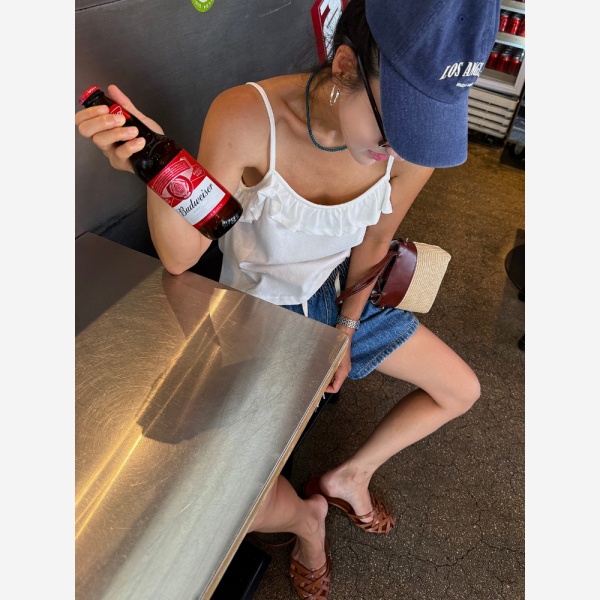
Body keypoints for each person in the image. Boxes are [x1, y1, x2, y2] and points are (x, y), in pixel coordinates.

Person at [75, 0, 500, 597]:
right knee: (221, 490)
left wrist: (345, 332)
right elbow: (179, 258)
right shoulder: (248, 115)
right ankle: (307, 521)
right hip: (251, 309)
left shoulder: (407, 152)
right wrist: (155, 166)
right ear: (345, 65)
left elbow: (375, 241)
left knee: (461, 390)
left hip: (337, 295)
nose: (400, 147)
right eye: (395, 124)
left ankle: (350, 476)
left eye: (424, 126)